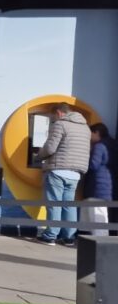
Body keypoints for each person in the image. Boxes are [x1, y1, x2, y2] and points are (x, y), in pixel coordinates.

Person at [34, 103, 91, 245]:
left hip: (58, 169)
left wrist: (38, 156)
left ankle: (51, 235)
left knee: (54, 204)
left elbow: (50, 148)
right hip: (75, 173)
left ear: (59, 113)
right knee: (68, 205)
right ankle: (68, 237)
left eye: (53, 116)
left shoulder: (61, 124)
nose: (53, 119)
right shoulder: (85, 128)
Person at [84, 123, 113, 236]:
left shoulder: (99, 146)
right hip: (108, 184)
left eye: (90, 133)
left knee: (97, 214)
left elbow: (94, 164)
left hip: (97, 184)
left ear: (96, 132)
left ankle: (100, 241)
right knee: (101, 214)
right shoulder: (112, 144)